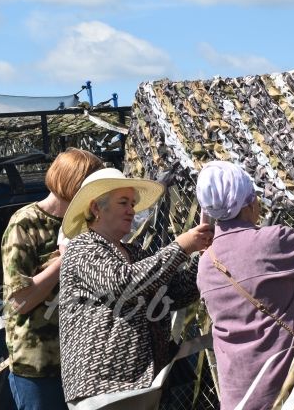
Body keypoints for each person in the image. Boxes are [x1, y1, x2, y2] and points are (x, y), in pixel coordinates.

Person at [58, 167, 213, 405]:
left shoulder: (133, 253)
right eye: (124, 203)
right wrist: (180, 248)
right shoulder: (82, 248)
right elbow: (124, 285)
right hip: (104, 389)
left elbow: (175, 294)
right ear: (96, 208)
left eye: (132, 203)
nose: (132, 210)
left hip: (143, 385)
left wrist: (206, 256)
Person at [196, 160, 294, 410]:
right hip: (282, 394)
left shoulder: (206, 263)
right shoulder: (272, 241)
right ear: (249, 203)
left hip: (237, 397)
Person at [2, 148, 104, 410]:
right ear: (74, 184)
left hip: (83, 361)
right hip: (39, 366)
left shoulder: (87, 224)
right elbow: (20, 301)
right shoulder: (25, 223)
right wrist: (64, 260)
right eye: (93, 186)